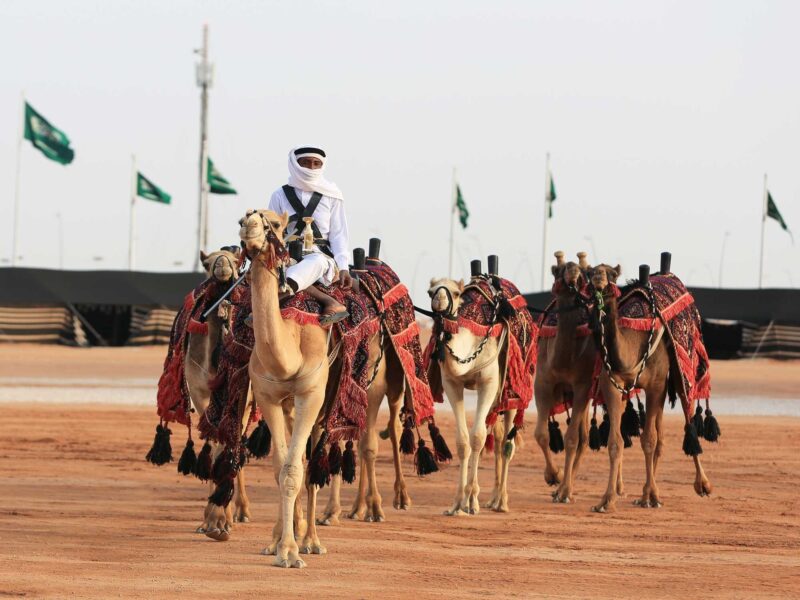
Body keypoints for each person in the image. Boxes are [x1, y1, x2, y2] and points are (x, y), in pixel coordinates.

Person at [268, 146, 352, 324]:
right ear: (295, 164)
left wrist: (343, 266)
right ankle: (328, 301)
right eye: (305, 163)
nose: (310, 167)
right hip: (287, 256)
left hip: (320, 255)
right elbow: (272, 233)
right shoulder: (280, 195)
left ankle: (278, 294)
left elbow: (338, 235)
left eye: (316, 163)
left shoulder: (332, 195)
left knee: (316, 263)